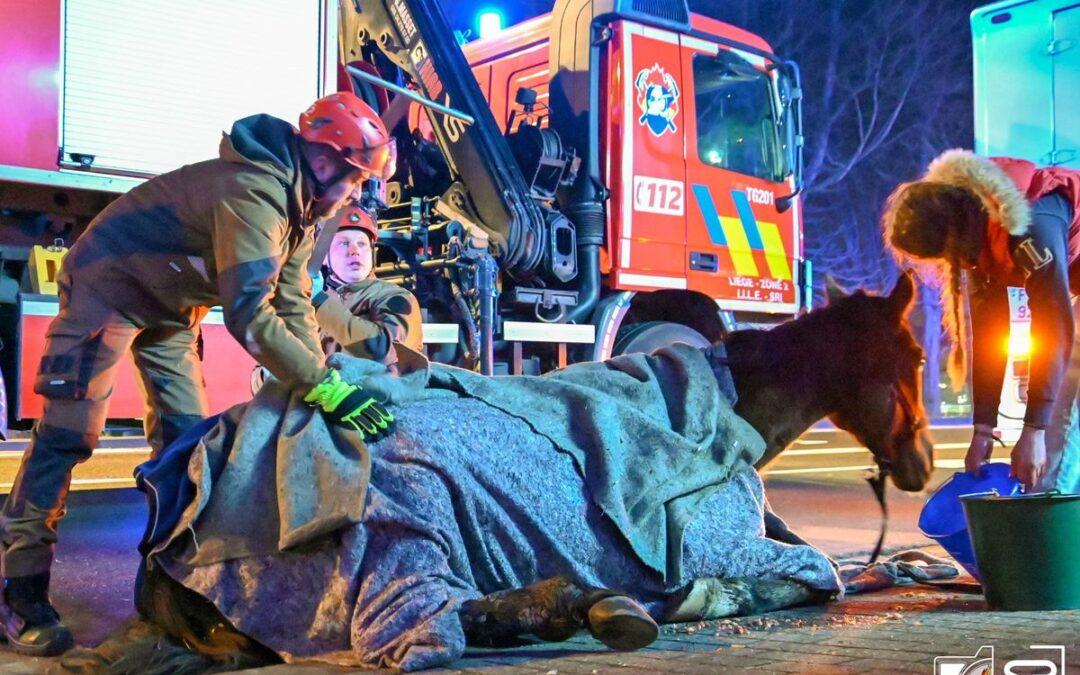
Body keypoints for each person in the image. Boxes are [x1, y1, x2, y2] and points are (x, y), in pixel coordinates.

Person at [0, 92, 399, 655]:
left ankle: (173, 588)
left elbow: (290, 306)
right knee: (68, 435)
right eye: (356, 178)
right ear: (326, 161)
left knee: (187, 443)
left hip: (168, 306)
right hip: (106, 288)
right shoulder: (254, 192)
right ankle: (21, 588)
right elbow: (251, 316)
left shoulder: (301, 210)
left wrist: (326, 378)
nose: (356, 193)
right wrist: (322, 386)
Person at [883, 148, 1080, 493]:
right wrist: (983, 431)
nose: (947, 262)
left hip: (1066, 300)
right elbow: (990, 336)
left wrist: (1033, 431)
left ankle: (1044, 531)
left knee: (1053, 441)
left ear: (950, 232)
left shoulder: (1030, 223)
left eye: (941, 253)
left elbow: (1054, 327)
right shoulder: (977, 235)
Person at [314, 204, 423, 364]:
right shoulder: (308, 306)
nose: (354, 251)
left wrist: (320, 302)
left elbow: (386, 352)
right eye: (344, 243)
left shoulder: (395, 297)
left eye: (362, 244)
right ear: (323, 256)